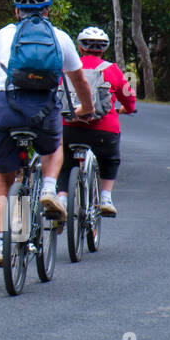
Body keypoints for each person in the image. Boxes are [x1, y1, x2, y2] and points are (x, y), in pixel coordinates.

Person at [0, 0, 95, 266]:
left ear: (16, 11)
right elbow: (79, 81)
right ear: (47, 11)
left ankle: (1, 244)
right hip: (44, 110)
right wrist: (88, 108)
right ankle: (48, 188)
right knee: (54, 145)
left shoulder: (4, 34)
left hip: (5, 109)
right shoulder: (60, 38)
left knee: (2, 176)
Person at [57, 26, 136, 217]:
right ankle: (106, 197)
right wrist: (128, 109)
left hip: (70, 125)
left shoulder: (66, 69)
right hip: (103, 130)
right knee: (110, 158)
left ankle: (61, 197)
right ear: (103, 50)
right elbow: (129, 98)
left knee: (64, 161)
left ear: (80, 48)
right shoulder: (112, 70)